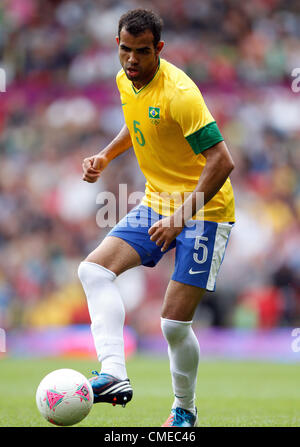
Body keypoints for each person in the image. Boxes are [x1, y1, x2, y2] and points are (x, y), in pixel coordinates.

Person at [78, 8, 235, 427]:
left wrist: (181, 217)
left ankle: (184, 409)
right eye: (125, 50)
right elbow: (139, 122)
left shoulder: (180, 93)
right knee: (93, 272)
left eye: (142, 52)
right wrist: (105, 157)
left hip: (206, 213)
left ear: (158, 49)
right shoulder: (125, 80)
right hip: (156, 203)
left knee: (172, 325)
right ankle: (113, 374)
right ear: (118, 46)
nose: (131, 60)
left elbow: (222, 161)